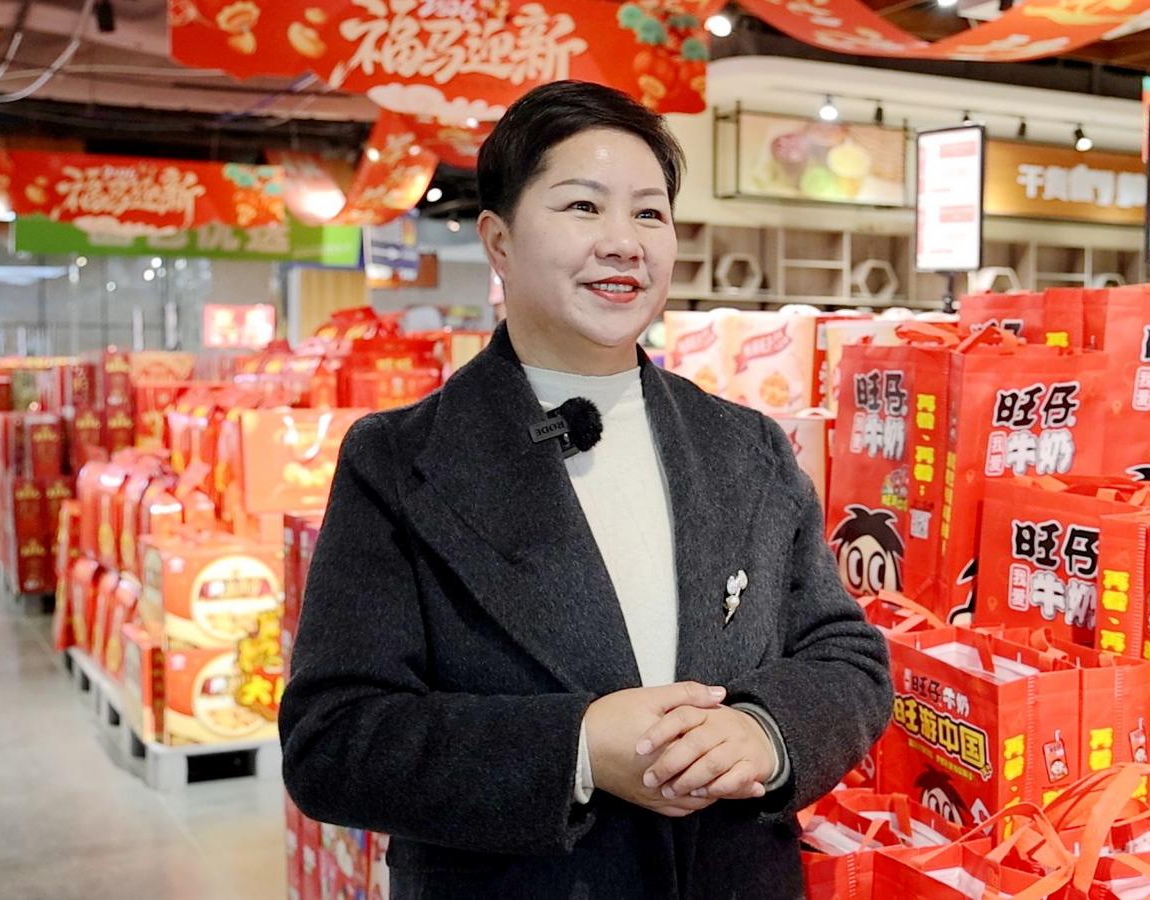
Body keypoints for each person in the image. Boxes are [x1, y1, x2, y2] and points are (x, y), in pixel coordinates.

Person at [279, 80, 892, 899]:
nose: (624, 243)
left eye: (649, 214)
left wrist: (767, 731)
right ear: (498, 241)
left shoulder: (746, 446)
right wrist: (576, 748)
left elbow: (846, 656)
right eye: (582, 206)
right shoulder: (397, 461)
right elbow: (332, 739)